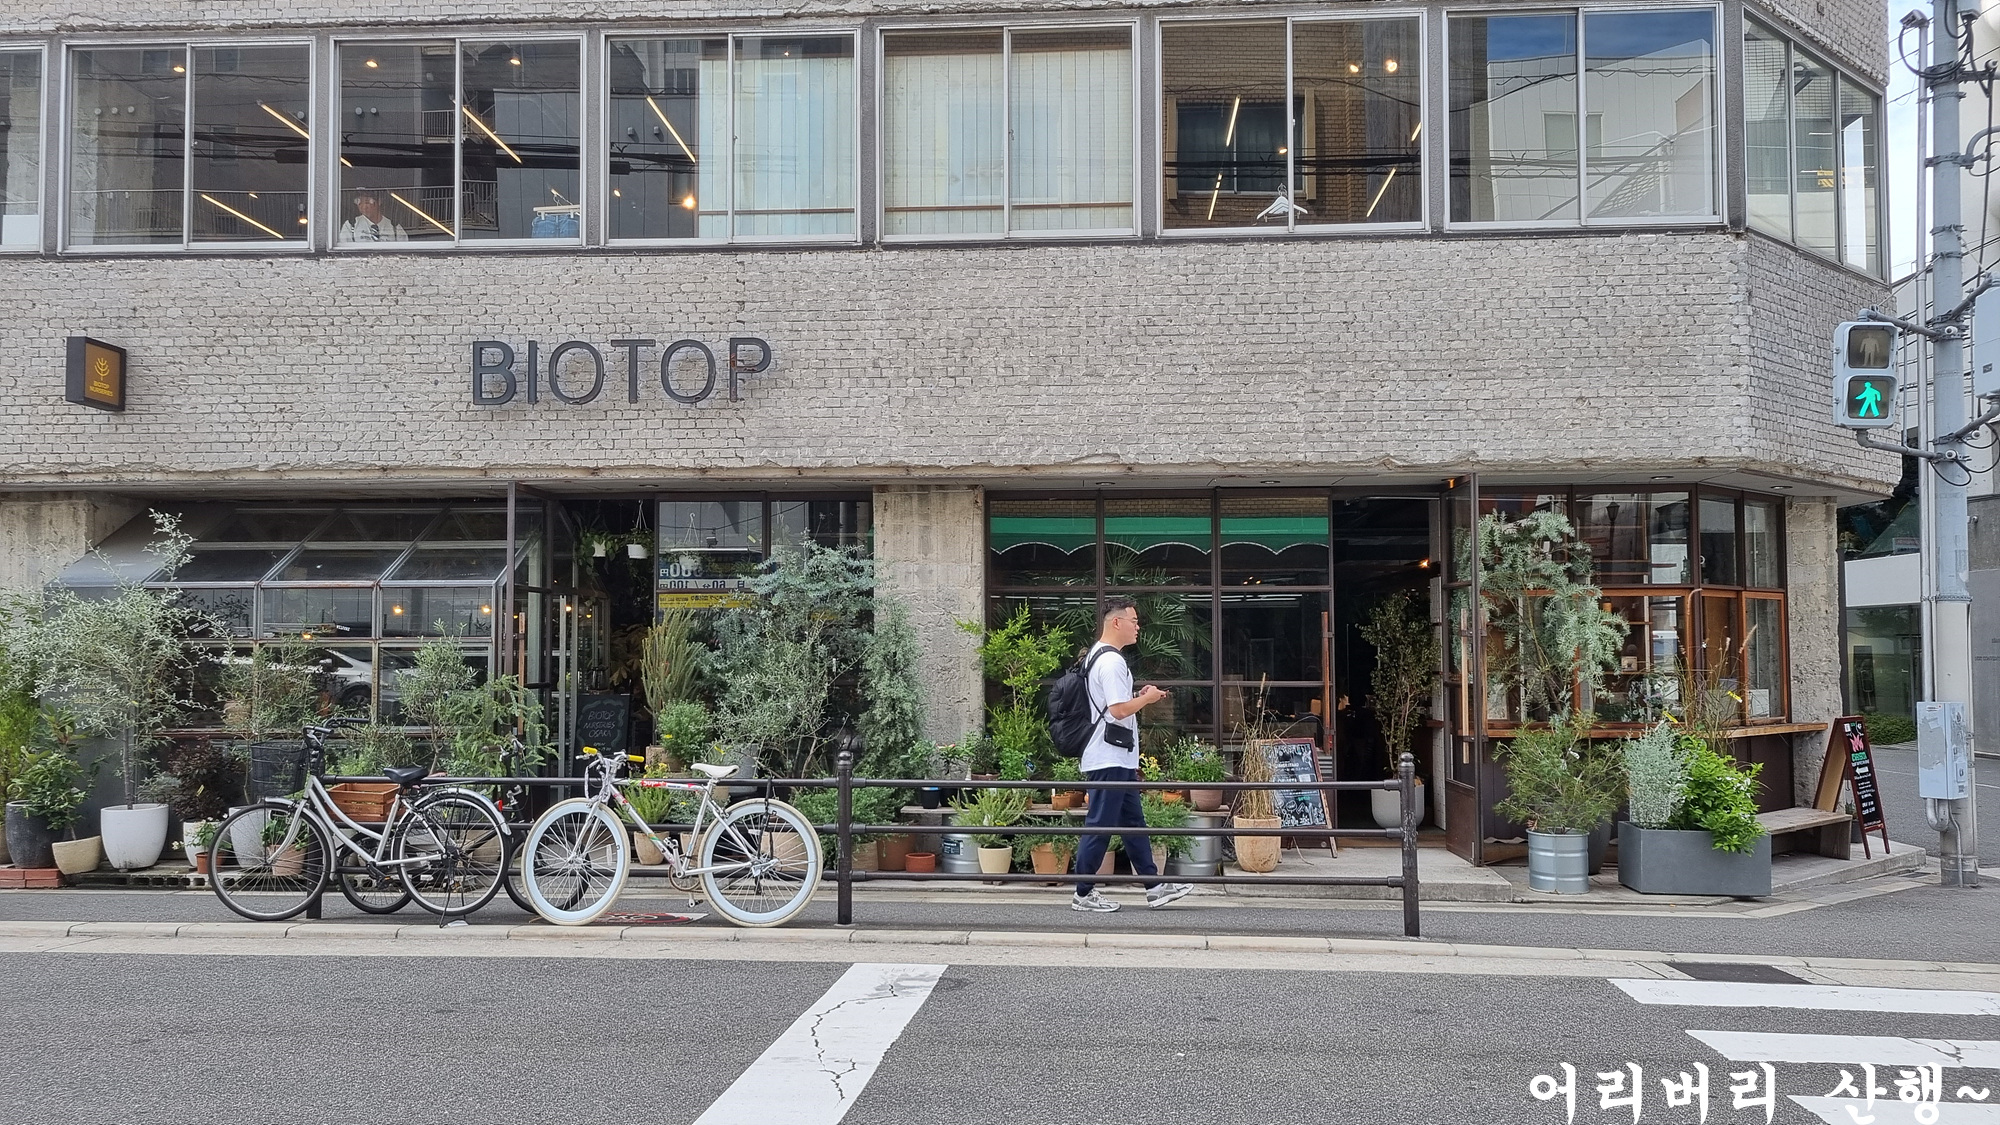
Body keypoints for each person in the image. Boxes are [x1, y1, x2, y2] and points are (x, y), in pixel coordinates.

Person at [1071, 597, 1193, 913]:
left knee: (1133, 824)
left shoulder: (1099, 655)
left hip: (1116, 757)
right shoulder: (1111, 661)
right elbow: (1117, 710)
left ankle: (1154, 887)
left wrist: (1139, 695)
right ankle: (1083, 893)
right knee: (1100, 826)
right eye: (1134, 621)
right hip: (1109, 757)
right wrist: (1147, 700)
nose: (1138, 627)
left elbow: (1113, 703)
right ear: (1116, 622)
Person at [339, 188, 409, 243]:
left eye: (367, 202)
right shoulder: (350, 225)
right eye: (359, 202)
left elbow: (404, 250)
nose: (363, 206)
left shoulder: (395, 227)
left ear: (379, 202)